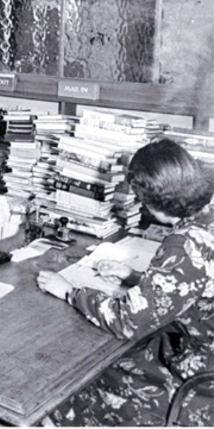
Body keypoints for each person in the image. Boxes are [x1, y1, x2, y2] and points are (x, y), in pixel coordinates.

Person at [36, 137, 214, 426]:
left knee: (73, 384)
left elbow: (127, 321)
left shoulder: (185, 243)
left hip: (199, 380)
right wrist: (134, 277)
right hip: (200, 349)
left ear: (149, 200)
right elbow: (194, 285)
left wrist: (70, 291)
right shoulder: (207, 216)